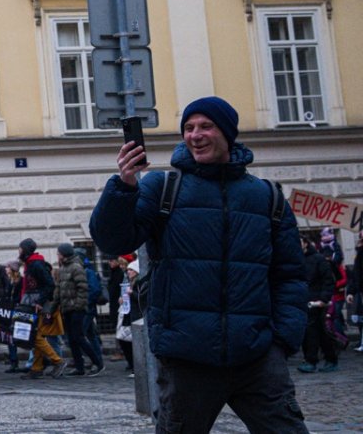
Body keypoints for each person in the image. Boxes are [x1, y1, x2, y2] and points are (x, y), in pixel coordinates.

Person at [90, 96, 308, 433]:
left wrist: (281, 342)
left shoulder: (267, 197)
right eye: (189, 128)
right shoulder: (162, 187)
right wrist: (124, 187)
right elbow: (112, 241)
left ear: (228, 133)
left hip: (257, 358)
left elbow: (290, 276)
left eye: (206, 126)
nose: (195, 135)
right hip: (186, 360)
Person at [16, 239, 64, 379]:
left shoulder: (36, 264)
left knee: (36, 336)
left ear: (25, 250)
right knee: (36, 336)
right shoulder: (30, 264)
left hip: (39, 306)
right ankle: (36, 368)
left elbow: (49, 284)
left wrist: (39, 301)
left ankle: (58, 361)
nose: (19, 251)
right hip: (33, 304)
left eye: (20, 248)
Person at [55, 243, 103, 377]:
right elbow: (59, 290)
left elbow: (83, 288)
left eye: (58, 253)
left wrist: (79, 305)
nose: (57, 255)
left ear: (64, 254)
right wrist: (54, 306)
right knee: (72, 339)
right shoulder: (63, 268)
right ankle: (79, 367)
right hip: (67, 308)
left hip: (77, 309)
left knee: (79, 337)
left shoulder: (76, 267)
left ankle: (98, 363)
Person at [298, 235, 338, 373]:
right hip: (302, 301)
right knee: (312, 332)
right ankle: (319, 359)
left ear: (305, 244)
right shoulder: (295, 260)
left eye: (299, 241)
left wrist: (323, 299)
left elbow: (328, 280)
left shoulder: (318, 259)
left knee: (315, 331)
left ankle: (316, 360)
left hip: (316, 302)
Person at [116, 259, 143, 375]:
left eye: (131, 270)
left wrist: (132, 293)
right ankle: (132, 365)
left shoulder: (139, 283)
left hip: (136, 315)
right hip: (127, 314)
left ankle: (136, 367)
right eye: (128, 270)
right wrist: (122, 299)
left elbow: (142, 298)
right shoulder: (127, 282)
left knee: (133, 342)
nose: (128, 272)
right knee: (123, 340)